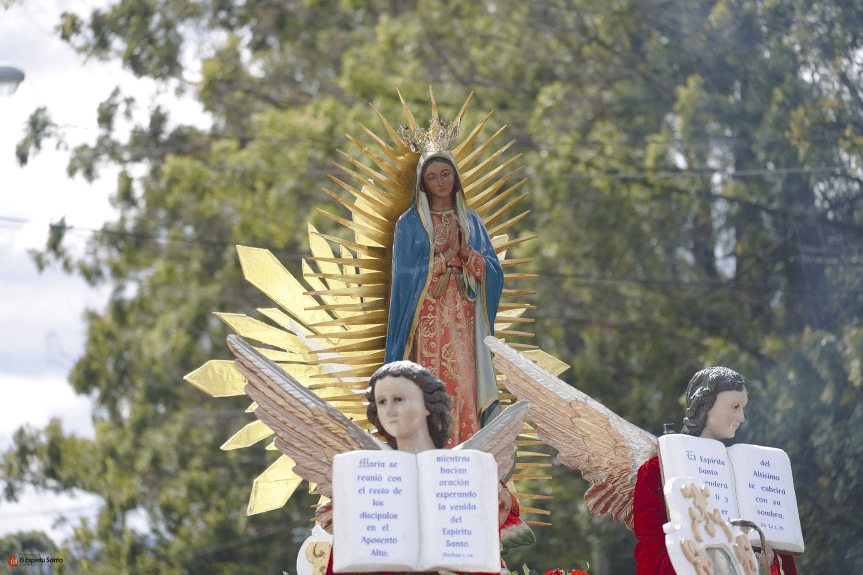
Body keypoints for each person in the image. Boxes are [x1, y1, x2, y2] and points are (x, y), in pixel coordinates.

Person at [323, 361, 529, 575]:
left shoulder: (460, 473)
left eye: (399, 399)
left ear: (427, 405)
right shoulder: (370, 478)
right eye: (382, 402)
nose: (390, 411)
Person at [385, 145, 505, 447]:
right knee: (427, 387)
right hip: (424, 324)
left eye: (446, 174)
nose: (440, 183)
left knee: (464, 385)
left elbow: (494, 273)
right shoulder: (409, 224)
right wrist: (442, 259)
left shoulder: (471, 221)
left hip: (463, 324)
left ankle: (464, 450)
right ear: (422, 183)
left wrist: (466, 254)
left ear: (456, 176)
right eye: (432, 177)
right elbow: (402, 277)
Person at [633, 367, 798, 575]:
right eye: (735, 406)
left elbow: (778, 555)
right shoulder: (657, 470)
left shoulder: (745, 466)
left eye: (743, 407)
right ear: (706, 404)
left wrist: (770, 563)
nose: (742, 417)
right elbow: (653, 554)